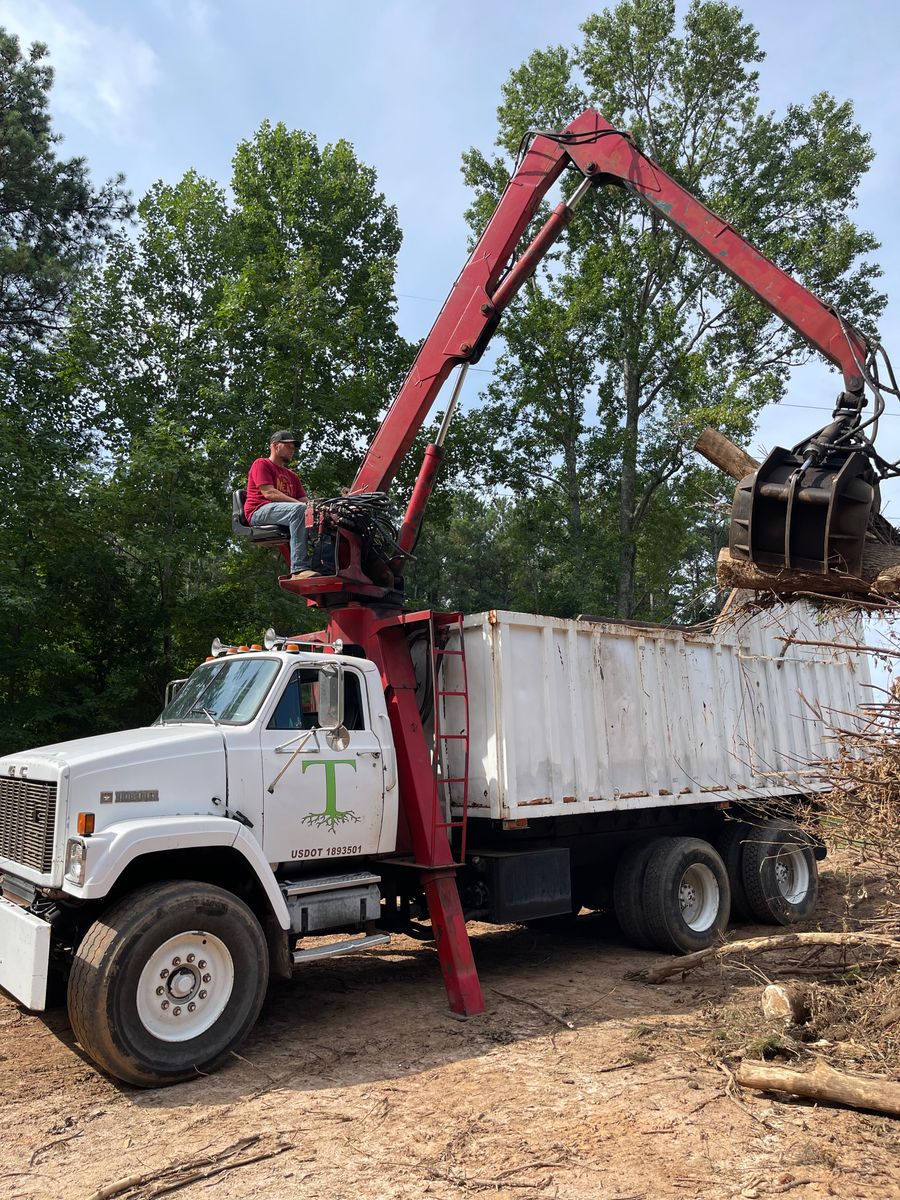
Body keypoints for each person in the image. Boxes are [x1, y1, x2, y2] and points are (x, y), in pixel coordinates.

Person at [245, 431, 320, 579]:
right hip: (258, 511)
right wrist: (303, 507)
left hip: (284, 513)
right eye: (288, 446)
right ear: (275, 445)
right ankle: (299, 570)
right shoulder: (261, 464)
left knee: (324, 518)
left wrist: (321, 509)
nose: (292, 450)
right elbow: (269, 493)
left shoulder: (292, 476)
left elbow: (305, 501)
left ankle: (324, 565)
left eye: (293, 448)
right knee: (300, 510)